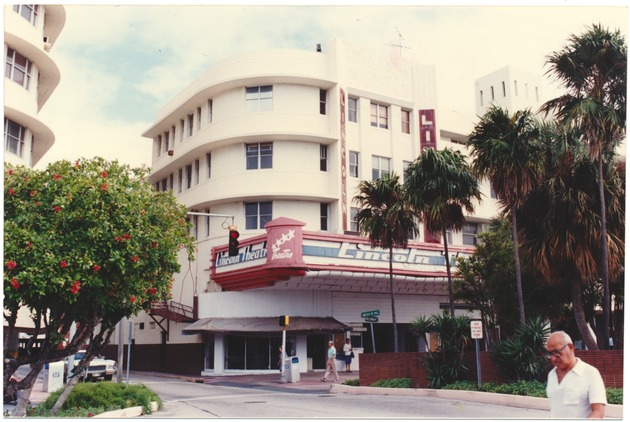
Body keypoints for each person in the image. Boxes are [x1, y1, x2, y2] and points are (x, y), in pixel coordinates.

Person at [545, 330, 607, 419]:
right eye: (550, 354)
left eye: (556, 352)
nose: (553, 358)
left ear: (570, 347)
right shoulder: (551, 375)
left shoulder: (590, 373)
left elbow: (598, 412)